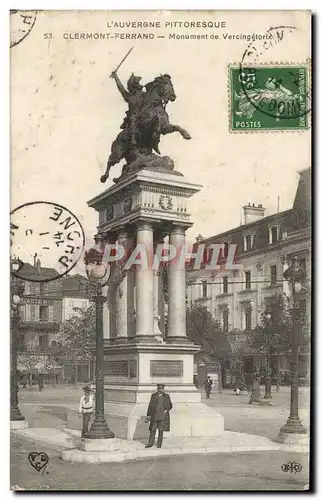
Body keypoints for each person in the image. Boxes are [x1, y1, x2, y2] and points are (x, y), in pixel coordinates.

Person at [145, 384, 173, 449]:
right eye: (159, 388)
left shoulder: (166, 396)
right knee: (152, 430)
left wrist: (167, 410)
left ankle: (159, 445)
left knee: (161, 430)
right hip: (154, 416)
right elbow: (150, 406)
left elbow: (170, 405)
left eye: (161, 389)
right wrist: (148, 415)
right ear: (157, 389)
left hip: (162, 417)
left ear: (163, 389)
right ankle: (150, 443)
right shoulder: (153, 396)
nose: (160, 390)